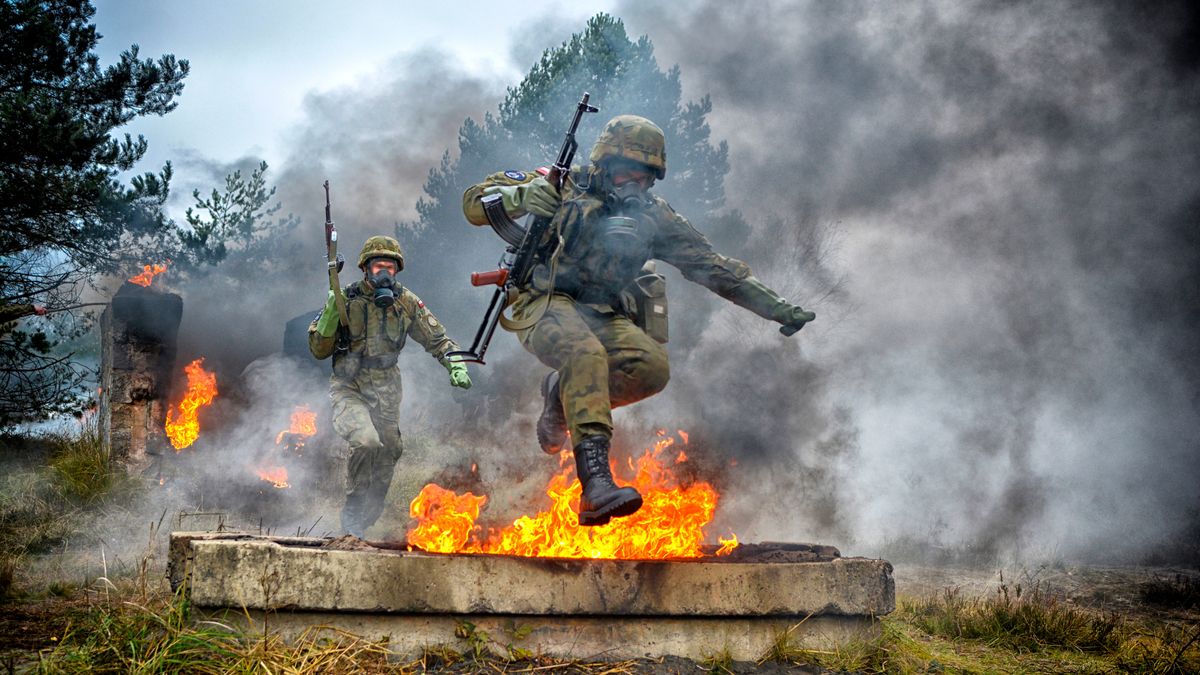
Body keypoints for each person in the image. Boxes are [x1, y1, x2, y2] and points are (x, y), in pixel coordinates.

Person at [461, 115, 815, 527]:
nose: (634, 182)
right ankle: (595, 487)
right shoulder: (562, 185)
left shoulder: (654, 218)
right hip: (541, 300)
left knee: (650, 368)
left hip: (601, 311)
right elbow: (474, 202)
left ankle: (559, 396)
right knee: (584, 353)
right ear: (604, 163)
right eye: (626, 170)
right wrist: (523, 196)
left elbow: (715, 267)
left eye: (645, 175)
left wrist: (777, 308)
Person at [308, 235, 472, 537]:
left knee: (390, 450)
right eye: (378, 267)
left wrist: (455, 364)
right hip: (349, 385)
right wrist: (331, 313)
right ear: (365, 269)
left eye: (390, 268)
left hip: (387, 388)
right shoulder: (345, 300)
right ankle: (354, 508)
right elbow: (319, 350)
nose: (384, 274)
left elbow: (438, 340)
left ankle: (370, 509)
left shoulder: (406, 302)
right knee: (366, 442)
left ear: (397, 271)